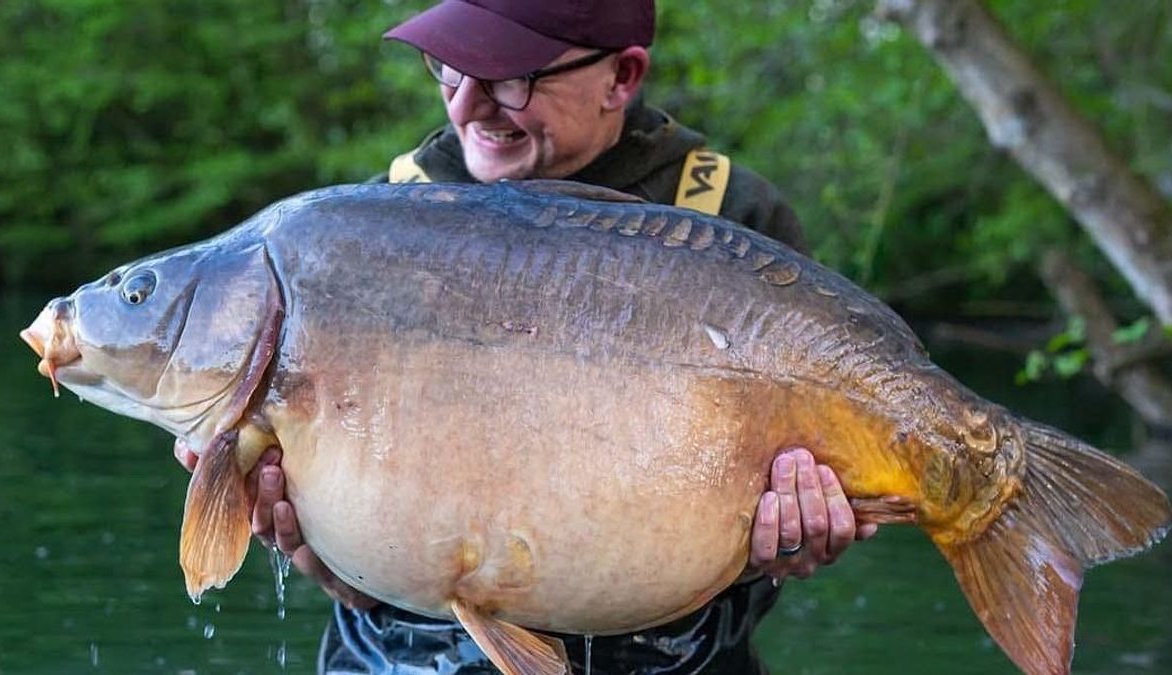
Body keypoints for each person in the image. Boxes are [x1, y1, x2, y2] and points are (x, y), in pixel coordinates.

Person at [176, 1, 877, 672]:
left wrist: (789, 542)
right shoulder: (373, 234)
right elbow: (353, 578)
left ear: (622, 77)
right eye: (450, 67)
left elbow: (778, 541)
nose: (465, 104)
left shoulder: (734, 217)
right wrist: (309, 545)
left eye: (511, 77)